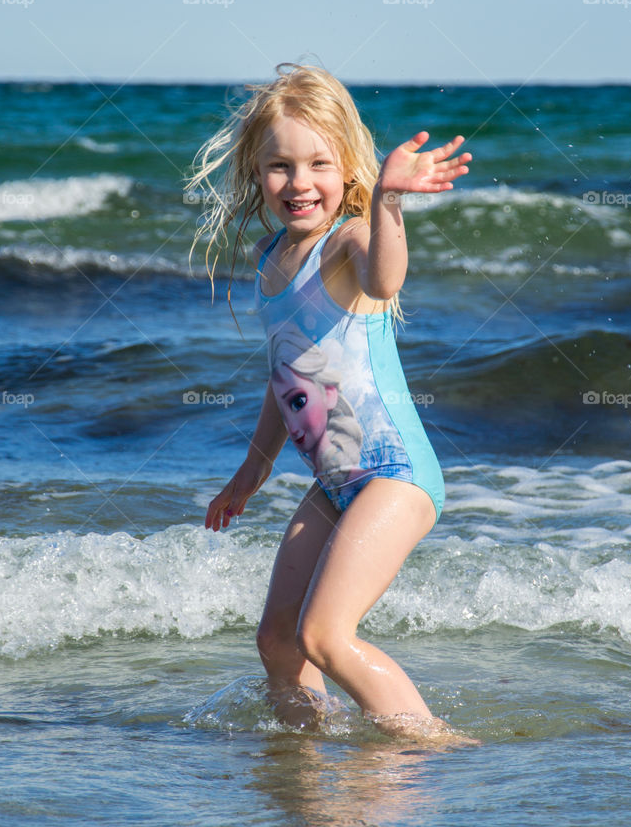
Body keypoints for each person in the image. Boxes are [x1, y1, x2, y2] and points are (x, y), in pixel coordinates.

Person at [190, 63, 471, 738]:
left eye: (318, 163)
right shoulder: (268, 262)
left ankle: (434, 746)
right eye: (279, 166)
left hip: (394, 475)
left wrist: (389, 201)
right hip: (337, 483)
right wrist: (247, 477)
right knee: (278, 643)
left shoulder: (346, 241)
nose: (298, 182)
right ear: (255, 174)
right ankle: (305, 755)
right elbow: (284, 380)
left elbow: (384, 275)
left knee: (324, 635)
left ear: (347, 168)